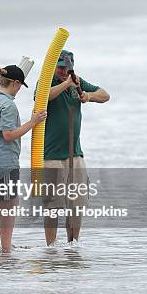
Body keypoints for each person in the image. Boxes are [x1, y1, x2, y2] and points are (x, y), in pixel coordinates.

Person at [0, 63, 47, 252]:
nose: (19, 90)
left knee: (7, 203)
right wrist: (34, 121)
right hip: (3, 162)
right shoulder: (8, 105)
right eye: (20, 86)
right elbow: (9, 134)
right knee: (3, 205)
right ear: (15, 83)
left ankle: (3, 247)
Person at [40, 50, 110, 245]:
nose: (64, 70)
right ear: (54, 66)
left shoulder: (77, 80)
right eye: (61, 67)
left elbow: (105, 95)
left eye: (67, 68)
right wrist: (67, 84)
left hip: (76, 155)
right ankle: (51, 248)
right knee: (52, 205)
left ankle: (73, 245)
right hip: (51, 156)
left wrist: (87, 95)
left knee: (77, 204)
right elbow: (43, 97)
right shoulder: (46, 81)